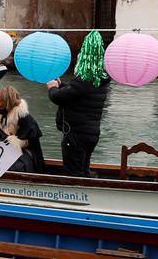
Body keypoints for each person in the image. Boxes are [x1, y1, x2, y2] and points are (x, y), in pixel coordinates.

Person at [47, 32, 111, 177]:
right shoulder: (100, 80)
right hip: (91, 134)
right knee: (83, 169)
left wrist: (52, 87)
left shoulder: (83, 80)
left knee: (74, 173)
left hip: (76, 136)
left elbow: (58, 98)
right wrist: (61, 84)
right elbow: (75, 93)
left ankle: (78, 197)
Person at [0, 85, 47, 174]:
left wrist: (14, 143)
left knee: (19, 166)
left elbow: (32, 138)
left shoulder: (23, 115)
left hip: (23, 151)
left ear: (6, 101)